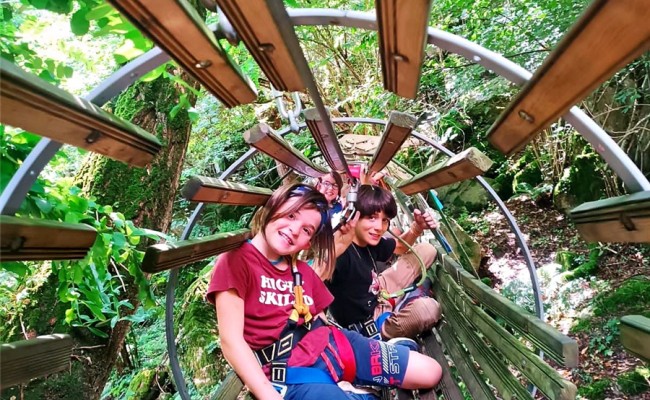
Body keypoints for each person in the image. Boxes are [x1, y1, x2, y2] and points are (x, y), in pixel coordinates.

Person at [207, 183, 441, 399]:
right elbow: (231, 341)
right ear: (273, 207)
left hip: (335, 346)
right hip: (291, 371)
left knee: (430, 372)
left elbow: (318, 317)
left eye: (307, 230)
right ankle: (353, 391)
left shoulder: (300, 270)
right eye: (290, 215)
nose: (294, 230)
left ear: (308, 242)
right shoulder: (236, 262)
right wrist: (268, 395)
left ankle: (352, 387)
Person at [327, 184, 442, 341]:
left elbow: (400, 247)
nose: (379, 227)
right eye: (372, 218)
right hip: (368, 323)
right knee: (428, 310)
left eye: (385, 220)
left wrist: (417, 228)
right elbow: (313, 280)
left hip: (378, 289)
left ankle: (398, 301)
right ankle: (396, 312)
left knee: (427, 250)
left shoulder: (368, 241)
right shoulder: (339, 252)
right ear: (354, 215)